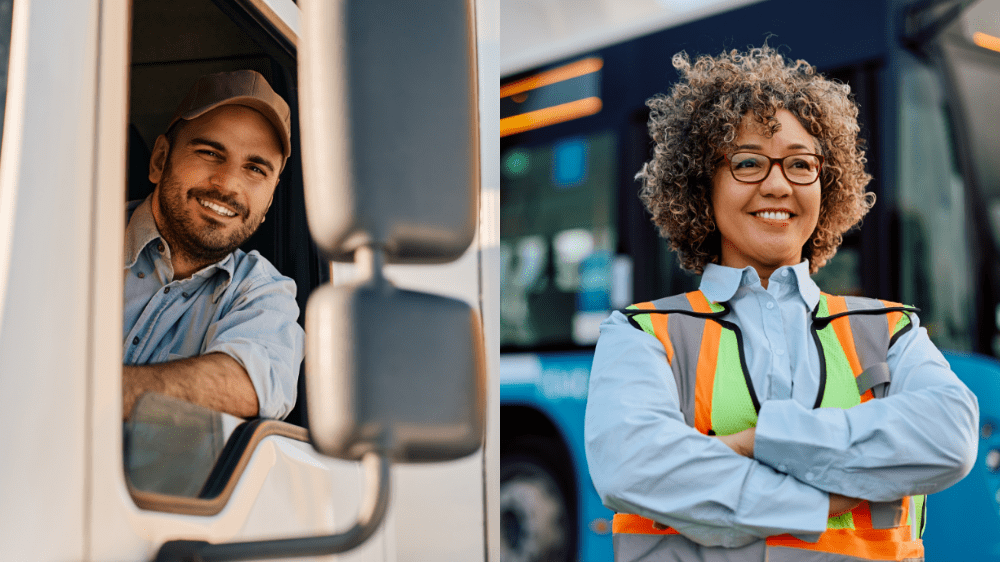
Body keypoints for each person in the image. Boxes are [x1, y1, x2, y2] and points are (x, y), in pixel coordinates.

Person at [584, 46, 979, 561]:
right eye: (748, 163)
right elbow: (632, 467)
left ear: (826, 184)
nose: (777, 184)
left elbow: (950, 437)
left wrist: (759, 440)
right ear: (702, 185)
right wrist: (818, 501)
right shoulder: (639, 334)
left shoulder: (890, 330)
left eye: (800, 164)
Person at [122, 70, 304, 421]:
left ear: (269, 200)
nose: (228, 184)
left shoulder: (264, 293)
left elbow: (249, 385)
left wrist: (81, 394)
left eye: (256, 169)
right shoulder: (72, 240)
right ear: (160, 160)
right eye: (209, 152)